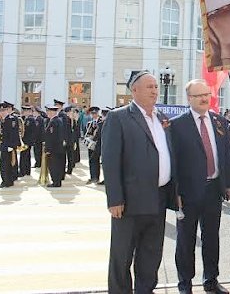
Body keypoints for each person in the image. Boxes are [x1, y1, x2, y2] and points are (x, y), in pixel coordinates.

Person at [101, 70, 177, 293]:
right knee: (122, 255)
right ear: (134, 90)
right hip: (129, 202)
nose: (155, 90)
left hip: (158, 198)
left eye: (156, 86)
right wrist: (114, 199)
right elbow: (111, 161)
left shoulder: (162, 118)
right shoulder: (119, 117)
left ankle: (145, 290)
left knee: (151, 254)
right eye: (149, 86)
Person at [171, 79, 230, 294]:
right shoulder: (177, 124)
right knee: (186, 242)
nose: (205, 98)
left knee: (211, 239)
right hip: (188, 193)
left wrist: (228, 184)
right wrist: (175, 192)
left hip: (213, 190)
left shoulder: (219, 121)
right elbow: (174, 161)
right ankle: (185, 284)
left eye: (207, 94)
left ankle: (211, 280)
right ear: (189, 99)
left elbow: (225, 154)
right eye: (199, 95)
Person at [0, 101, 20, 188]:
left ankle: (7, 181)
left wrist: (11, 146)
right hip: (4, 145)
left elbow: (13, 133)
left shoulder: (11, 119)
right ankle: (6, 181)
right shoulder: (4, 120)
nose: (1, 113)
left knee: (5, 164)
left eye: (3, 111)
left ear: (6, 110)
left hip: (8, 146)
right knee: (3, 163)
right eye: (0, 111)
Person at [44, 105, 65, 188]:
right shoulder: (59, 120)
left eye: (48, 111)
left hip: (54, 149)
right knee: (58, 165)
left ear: (52, 112)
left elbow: (51, 137)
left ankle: (56, 182)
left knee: (53, 166)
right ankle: (57, 181)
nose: (47, 113)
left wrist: (48, 148)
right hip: (58, 148)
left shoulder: (53, 122)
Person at [85, 107, 101, 184]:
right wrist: (88, 138)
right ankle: (93, 177)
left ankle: (97, 177)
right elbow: (87, 133)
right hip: (91, 145)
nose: (94, 115)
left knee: (97, 161)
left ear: (98, 113)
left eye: (95, 113)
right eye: (92, 113)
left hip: (99, 145)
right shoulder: (89, 123)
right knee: (91, 161)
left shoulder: (101, 122)